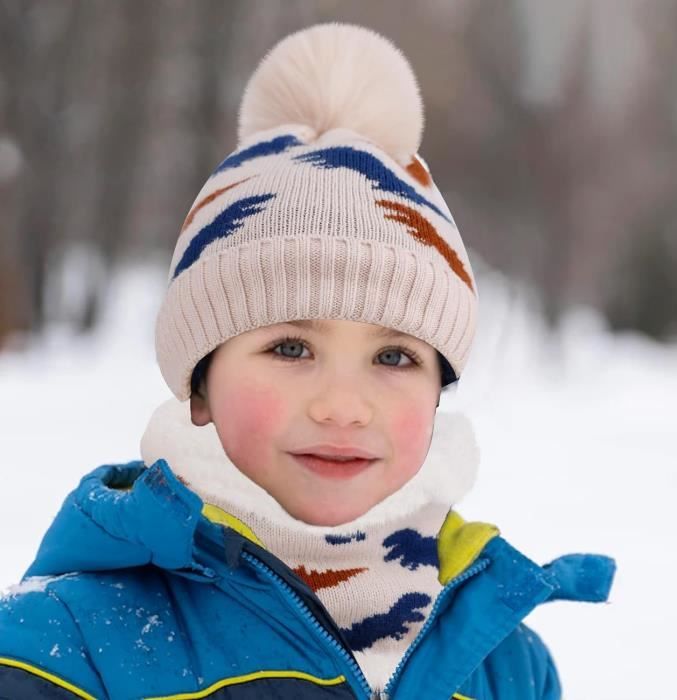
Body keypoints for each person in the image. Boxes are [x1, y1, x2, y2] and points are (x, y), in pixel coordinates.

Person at [0, 22, 615, 699]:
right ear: (198, 384)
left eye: (394, 355)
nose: (343, 406)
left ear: (440, 391)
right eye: (291, 348)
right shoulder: (66, 649)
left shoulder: (504, 664)